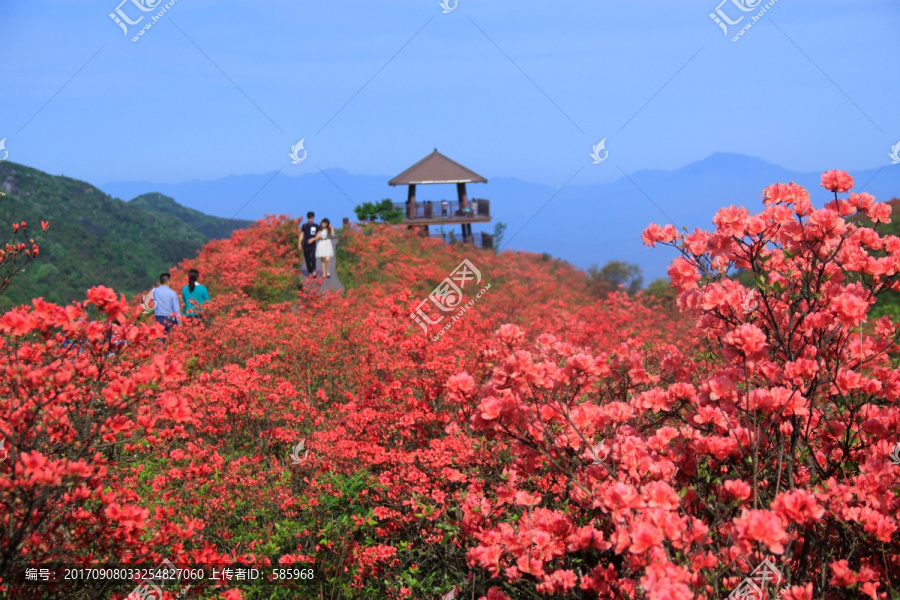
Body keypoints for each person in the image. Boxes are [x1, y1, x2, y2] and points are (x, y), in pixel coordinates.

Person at [152, 272, 181, 336]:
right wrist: (179, 322)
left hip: (158, 319)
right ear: (168, 281)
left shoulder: (154, 291)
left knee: (160, 340)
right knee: (171, 340)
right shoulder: (172, 293)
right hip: (169, 319)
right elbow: (176, 309)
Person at [298, 211, 319, 277]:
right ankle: (309, 271)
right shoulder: (304, 226)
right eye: (309, 218)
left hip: (312, 245)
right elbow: (302, 234)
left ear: (313, 218)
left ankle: (314, 271)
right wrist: (299, 243)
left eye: (311, 218)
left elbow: (319, 235)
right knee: (307, 259)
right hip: (305, 244)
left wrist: (313, 239)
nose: (310, 219)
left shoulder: (316, 226)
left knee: (313, 258)